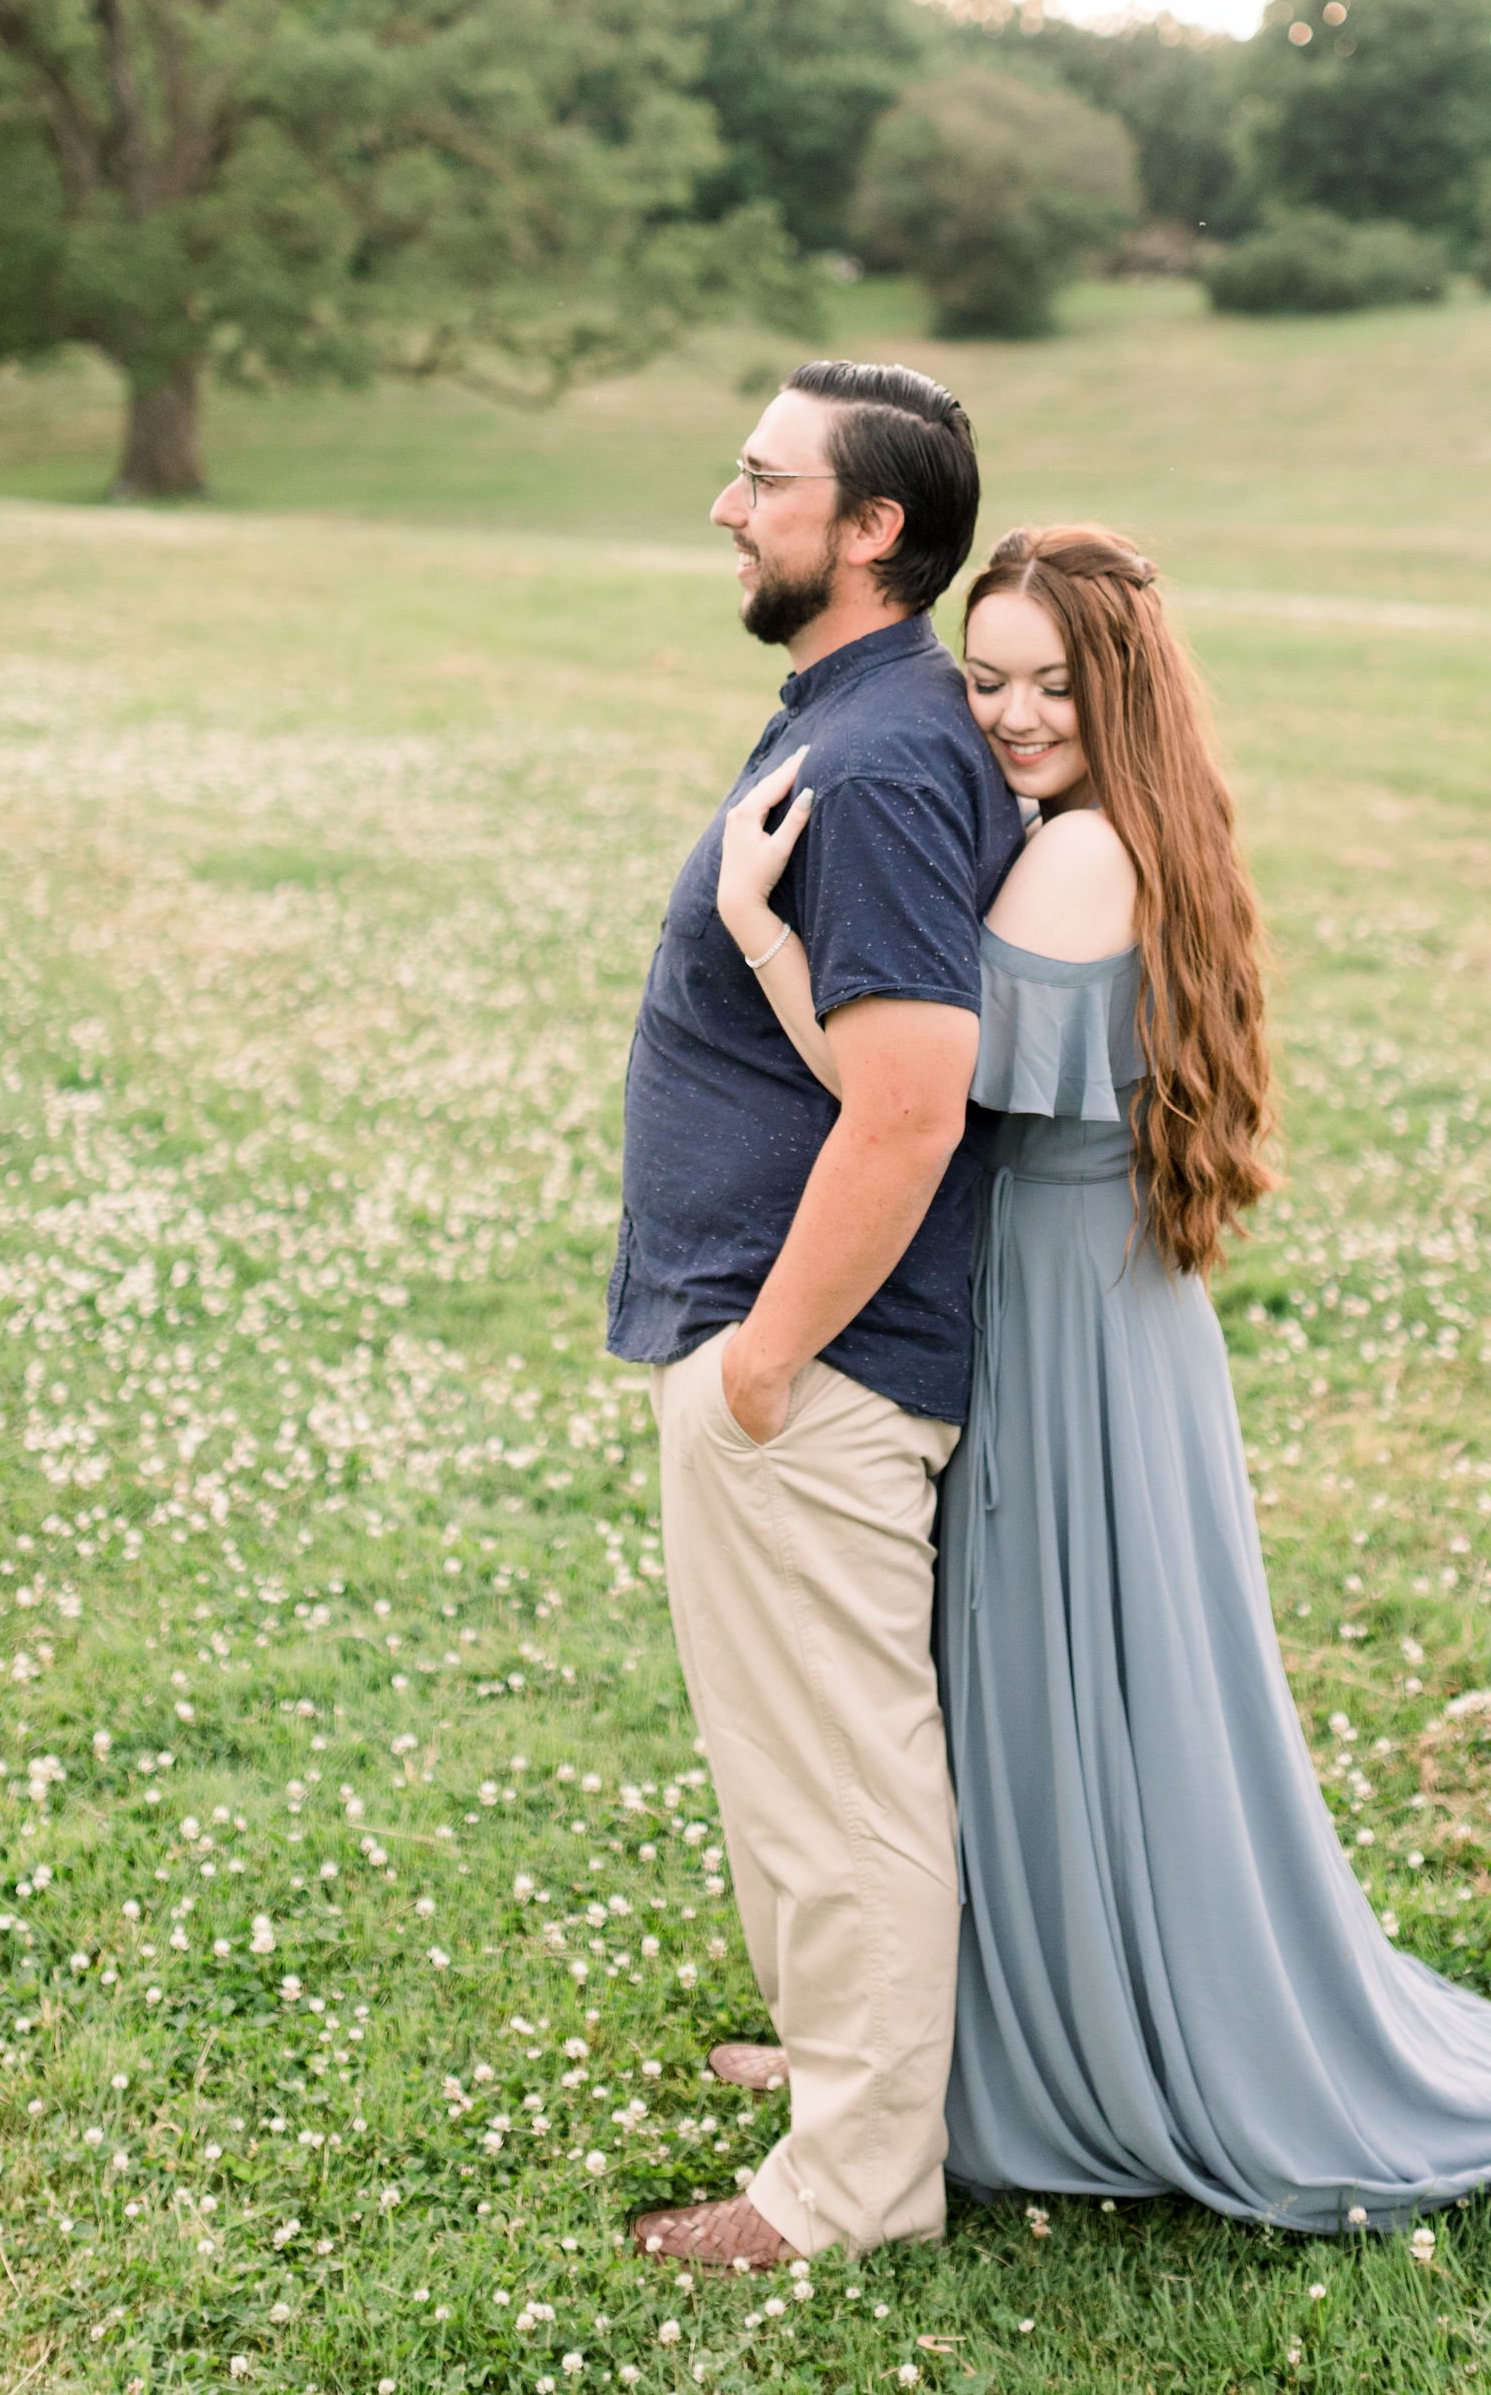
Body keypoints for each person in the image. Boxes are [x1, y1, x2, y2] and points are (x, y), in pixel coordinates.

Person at [716, 520, 1491, 2231]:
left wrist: (765, 936)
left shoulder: (1076, 862)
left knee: (1052, 1673)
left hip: (1059, 1304)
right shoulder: (1110, 826)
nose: (1011, 716)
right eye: (989, 679)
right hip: (1097, 1288)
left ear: (1122, 690)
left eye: (1051, 687)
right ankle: (944, 2029)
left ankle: (1040, 2049)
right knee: (1033, 1672)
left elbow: (913, 1098)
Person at [608, 359, 1026, 2274]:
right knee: (791, 1755)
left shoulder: (872, 757)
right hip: (786, 1349)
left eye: (764, 481)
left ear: (873, 529)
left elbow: (915, 1098)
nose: (726, 505)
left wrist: (767, 1358)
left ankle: (852, 2190)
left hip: (820, 1365)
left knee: (843, 1767)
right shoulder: (863, 718)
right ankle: (836, 2060)